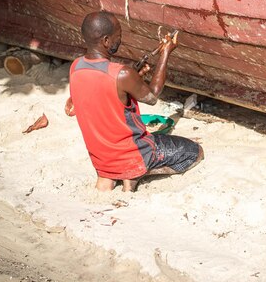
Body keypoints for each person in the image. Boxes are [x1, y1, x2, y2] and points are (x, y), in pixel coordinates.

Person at [65, 11, 203, 191]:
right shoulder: (121, 74)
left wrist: (134, 77)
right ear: (106, 41)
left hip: (102, 159)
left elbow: (104, 95)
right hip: (132, 155)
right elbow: (153, 96)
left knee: (160, 140)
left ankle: (111, 176)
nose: (120, 40)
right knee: (194, 152)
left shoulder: (76, 67)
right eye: (118, 36)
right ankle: (134, 173)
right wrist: (165, 54)